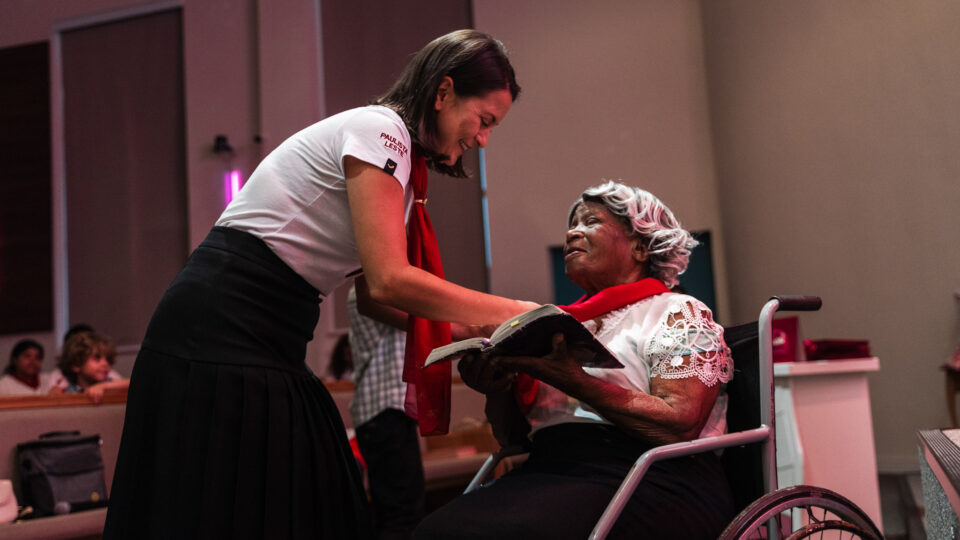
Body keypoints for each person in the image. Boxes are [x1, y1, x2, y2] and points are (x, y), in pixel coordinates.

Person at [104, 29, 535, 540]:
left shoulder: (398, 158)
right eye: (483, 121)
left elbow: (372, 297)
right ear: (442, 93)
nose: (482, 139)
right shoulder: (382, 131)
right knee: (284, 495)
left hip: (264, 332)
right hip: (221, 328)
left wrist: (469, 330)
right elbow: (390, 279)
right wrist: (511, 310)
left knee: (310, 488)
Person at [414, 181, 736, 540]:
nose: (572, 232)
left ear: (641, 247)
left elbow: (680, 425)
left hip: (653, 477)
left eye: (590, 222)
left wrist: (573, 379)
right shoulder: (560, 327)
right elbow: (513, 437)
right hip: (554, 468)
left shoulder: (676, 311)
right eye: (572, 224)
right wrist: (496, 389)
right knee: (436, 531)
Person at [347, 286, 425, 540]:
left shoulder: (369, 288)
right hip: (385, 409)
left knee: (391, 512)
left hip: (379, 410)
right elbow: (421, 311)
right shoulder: (376, 288)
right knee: (403, 515)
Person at [55, 331, 129, 403]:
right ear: (76, 364)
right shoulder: (68, 390)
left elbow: (132, 383)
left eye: (108, 359)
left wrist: (102, 386)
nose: (105, 364)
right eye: (97, 358)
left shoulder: (110, 384)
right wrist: (53, 396)